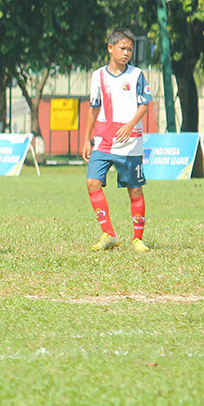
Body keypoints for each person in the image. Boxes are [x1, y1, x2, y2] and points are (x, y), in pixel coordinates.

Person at [80, 27, 152, 252]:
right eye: (122, 48)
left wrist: (130, 125)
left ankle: (137, 239)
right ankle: (109, 233)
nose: (126, 53)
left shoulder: (136, 75)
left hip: (130, 142)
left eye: (130, 49)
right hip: (103, 140)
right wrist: (86, 140)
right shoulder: (98, 75)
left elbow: (144, 104)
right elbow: (93, 108)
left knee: (134, 190)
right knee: (92, 182)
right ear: (110, 48)